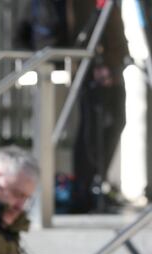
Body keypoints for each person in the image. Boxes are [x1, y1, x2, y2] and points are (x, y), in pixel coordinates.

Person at [68, 0, 129, 213]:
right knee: (91, 130)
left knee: (116, 121)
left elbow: (113, 28)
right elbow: (84, 28)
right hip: (92, 69)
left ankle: (97, 183)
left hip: (113, 65)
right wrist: (98, 64)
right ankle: (85, 190)